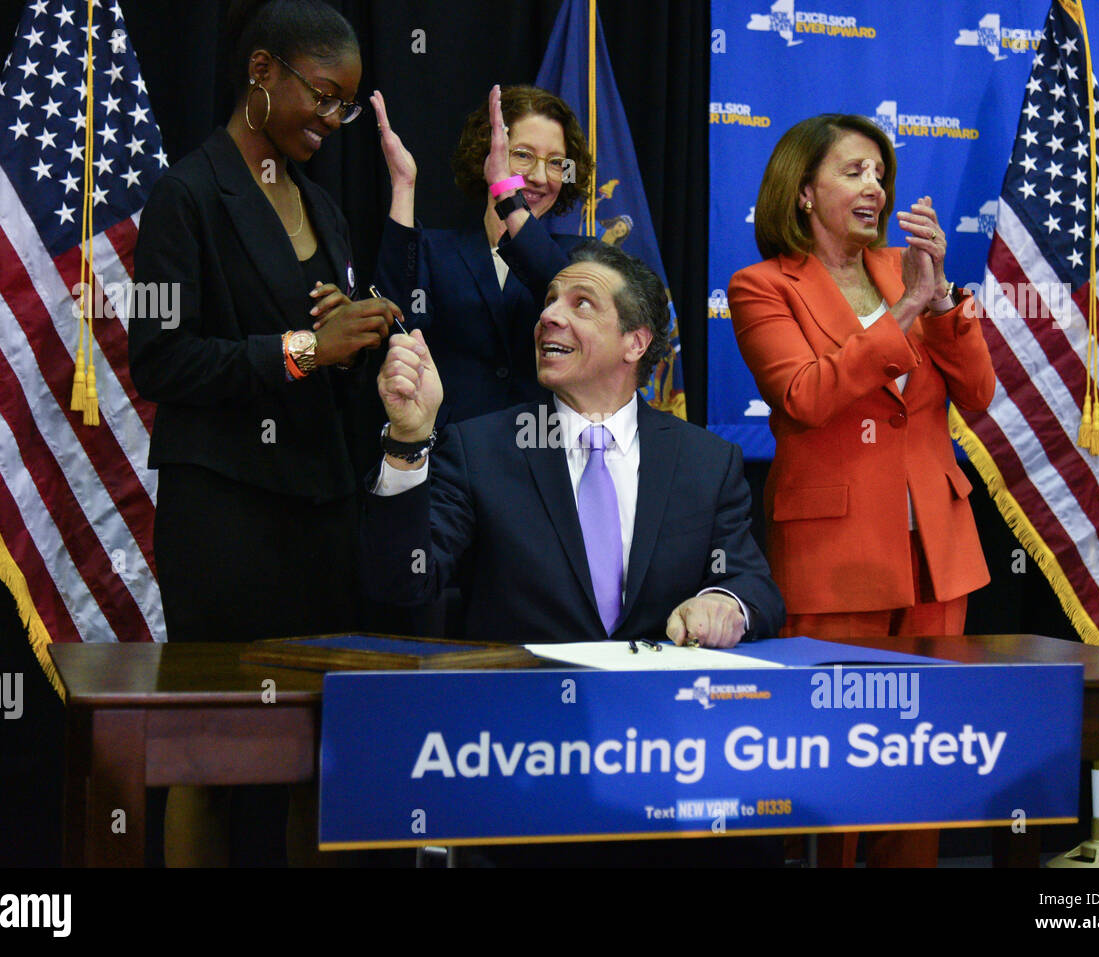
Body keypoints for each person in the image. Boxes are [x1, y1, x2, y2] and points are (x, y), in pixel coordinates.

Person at [130, 0, 400, 866]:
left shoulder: (325, 206)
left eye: (347, 107)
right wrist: (299, 347)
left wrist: (362, 335)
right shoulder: (185, 194)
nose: (334, 121)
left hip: (322, 511)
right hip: (226, 514)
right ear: (260, 73)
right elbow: (161, 362)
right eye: (323, 96)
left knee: (315, 760)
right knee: (209, 755)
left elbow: (327, 359)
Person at [728, 114, 996, 867]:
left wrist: (940, 301)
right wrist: (903, 310)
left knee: (921, 760)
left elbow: (978, 393)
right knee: (835, 760)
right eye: (854, 171)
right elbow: (806, 396)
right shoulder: (760, 287)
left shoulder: (904, 270)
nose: (875, 186)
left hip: (934, 551)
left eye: (880, 173)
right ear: (804, 191)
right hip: (833, 552)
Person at [362, 240, 784, 649]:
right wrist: (407, 442)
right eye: (550, 301)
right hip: (525, 705)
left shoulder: (706, 462)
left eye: (581, 303)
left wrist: (723, 603)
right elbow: (402, 582)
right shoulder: (480, 449)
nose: (549, 316)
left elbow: (751, 586)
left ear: (635, 342)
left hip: (655, 707)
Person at [369, 84, 593, 426]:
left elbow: (560, 293)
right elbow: (394, 318)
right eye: (523, 155)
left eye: (556, 163)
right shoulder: (434, 249)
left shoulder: (582, 259)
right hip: (451, 459)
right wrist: (403, 185)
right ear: (487, 154)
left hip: (542, 454)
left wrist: (507, 194)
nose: (537, 176)